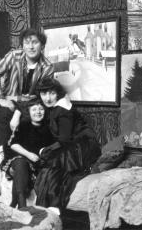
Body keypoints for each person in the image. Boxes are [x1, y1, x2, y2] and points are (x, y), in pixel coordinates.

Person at [32, 78, 101, 214]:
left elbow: (64, 139)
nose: (48, 98)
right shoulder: (52, 109)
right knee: (50, 166)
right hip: (70, 144)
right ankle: (46, 209)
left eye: (51, 93)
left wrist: (44, 150)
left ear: (57, 93)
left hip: (82, 146)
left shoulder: (63, 109)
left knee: (53, 165)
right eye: (44, 94)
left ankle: (53, 207)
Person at [0, 28, 54, 146]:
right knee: (5, 113)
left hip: (31, 104)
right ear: (22, 46)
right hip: (10, 102)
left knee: (39, 122)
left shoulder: (47, 67)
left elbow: (41, 96)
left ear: (42, 46)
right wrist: (0, 99)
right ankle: (2, 155)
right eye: (27, 43)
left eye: (35, 42)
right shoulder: (14, 56)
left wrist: (19, 111)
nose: (31, 47)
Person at [1, 98, 54, 209]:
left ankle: (13, 203)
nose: (38, 112)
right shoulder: (24, 125)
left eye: (41, 109)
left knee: (24, 166)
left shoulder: (49, 128)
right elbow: (13, 144)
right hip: (19, 156)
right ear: (28, 112)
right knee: (20, 162)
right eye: (34, 109)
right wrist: (29, 154)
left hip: (36, 162)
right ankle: (22, 205)